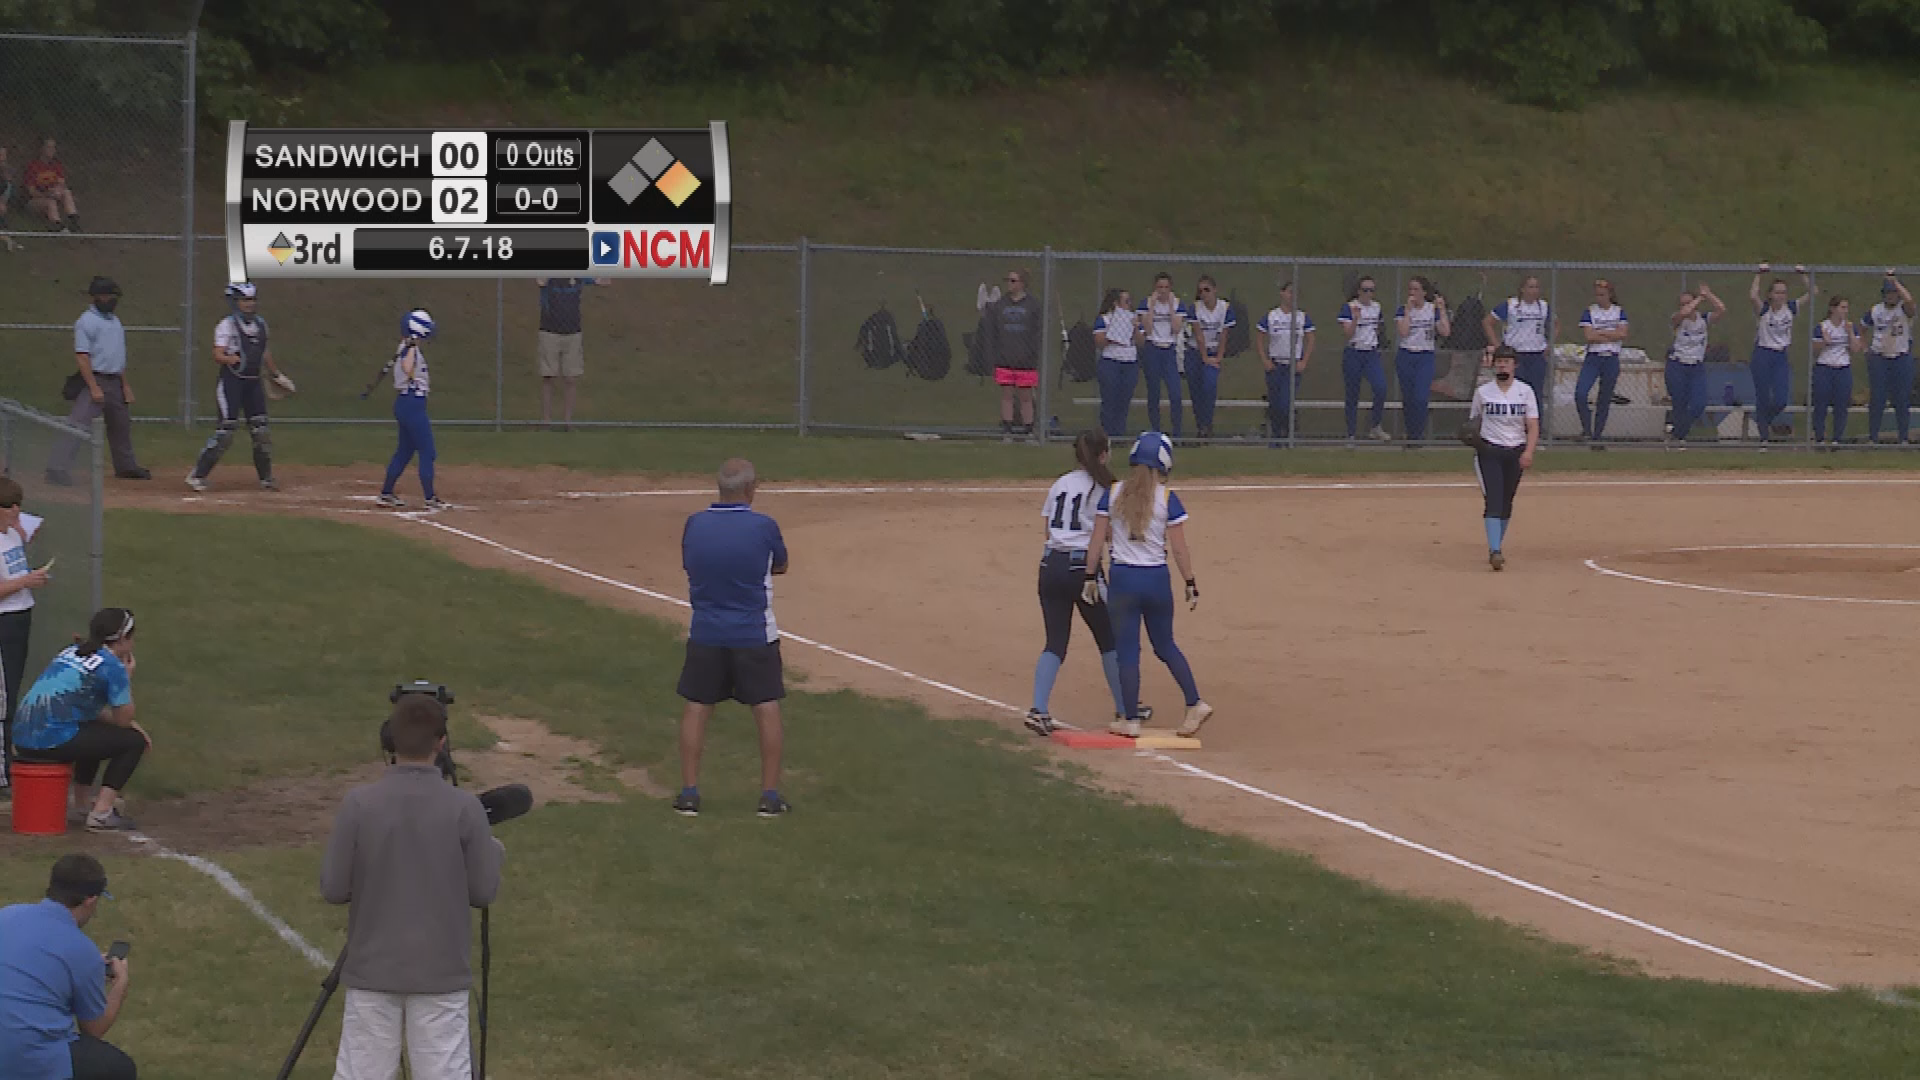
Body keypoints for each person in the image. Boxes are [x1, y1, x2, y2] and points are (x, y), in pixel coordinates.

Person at [320, 694, 503, 1080]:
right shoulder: (465, 808)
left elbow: (334, 888)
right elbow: (483, 891)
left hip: (372, 971)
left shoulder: (358, 804)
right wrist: (492, 853)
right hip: (440, 975)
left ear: (391, 741)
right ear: (442, 742)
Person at [673, 458, 790, 818]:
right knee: (766, 705)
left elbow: (690, 563)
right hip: (753, 632)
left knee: (697, 705)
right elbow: (780, 565)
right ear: (750, 489)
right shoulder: (763, 526)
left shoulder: (695, 525)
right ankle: (768, 796)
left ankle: (689, 793)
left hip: (706, 630)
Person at [1084, 432, 1212, 740]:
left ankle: (1130, 718)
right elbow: (1179, 549)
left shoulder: (1113, 494)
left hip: (1123, 580)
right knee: (1165, 645)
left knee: (1127, 650)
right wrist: (1190, 581)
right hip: (1156, 580)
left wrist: (1089, 576)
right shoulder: (1168, 498)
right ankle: (1194, 702)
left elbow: (1097, 540)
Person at [1026, 431, 1133, 735]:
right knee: (1109, 637)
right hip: (1080, 566)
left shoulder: (1061, 483)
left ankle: (1038, 708)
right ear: (1103, 455)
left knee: (1055, 641)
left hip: (1049, 565)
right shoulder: (1106, 488)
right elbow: (1108, 534)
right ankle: (1126, 709)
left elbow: (1048, 529)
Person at [0, 855, 136, 1080]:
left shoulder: (6, 915)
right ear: (90, 900)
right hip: (24, 1061)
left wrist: (89, 969)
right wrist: (119, 986)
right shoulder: (81, 949)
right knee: (118, 1069)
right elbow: (93, 1030)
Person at [9, 609, 145, 833]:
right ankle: (102, 813)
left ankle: (81, 805)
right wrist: (127, 678)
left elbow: (85, 710)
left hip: (24, 735)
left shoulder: (73, 650)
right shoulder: (113, 667)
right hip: (50, 739)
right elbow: (123, 720)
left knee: (92, 730)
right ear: (122, 639)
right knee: (133, 742)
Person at [187, 283, 287, 493]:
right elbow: (217, 354)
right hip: (231, 382)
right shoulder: (227, 325)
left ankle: (266, 478)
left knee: (261, 432)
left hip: (253, 382)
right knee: (226, 432)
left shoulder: (261, 325)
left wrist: (277, 375)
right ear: (235, 302)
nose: (250, 304)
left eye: (252, 300)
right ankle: (197, 475)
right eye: (245, 300)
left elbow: (264, 353)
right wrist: (229, 358)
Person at [47, 278, 147, 486]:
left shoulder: (115, 321)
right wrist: (93, 387)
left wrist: (125, 385)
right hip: (96, 378)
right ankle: (57, 468)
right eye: (110, 296)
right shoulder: (86, 321)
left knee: (121, 424)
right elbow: (83, 356)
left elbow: (118, 356)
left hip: (115, 380)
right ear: (98, 297)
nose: (113, 300)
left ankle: (126, 466)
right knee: (78, 424)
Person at [0, 477, 51, 799]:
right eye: (10, 509)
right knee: (3, 697)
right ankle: (3, 771)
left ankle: (6, 758)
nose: (17, 514)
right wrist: (26, 582)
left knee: (12, 692)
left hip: (19, 618)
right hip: (4, 622)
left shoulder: (13, 532)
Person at [1469, 347, 1539, 571]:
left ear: (1514, 365)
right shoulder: (1483, 392)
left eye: (1507, 362)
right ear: (1493, 364)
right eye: (1499, 361)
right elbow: (1473, 423)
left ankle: (1496, 545)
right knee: (1494, 499)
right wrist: (1476, 443)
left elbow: (1533, 425)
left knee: (1507, 500)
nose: (1502, 365)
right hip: (1490, 451)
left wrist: (1528, 451)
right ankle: (1495, 551)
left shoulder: (1525, 391)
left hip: (1515, 451)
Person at [376, 309, 447, 511]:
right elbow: (408, 368)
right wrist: (413, 345)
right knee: (427, 451)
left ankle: (386, 493)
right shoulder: (409, 349)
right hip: (411, 404)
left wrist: (413, 345)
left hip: (408, 404)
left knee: (405, 451)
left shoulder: (408, 347)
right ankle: (430, 497)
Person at [1748, 263, 1815, 444]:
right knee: (1762, 396)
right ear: (1770, 294)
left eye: (1784, 292)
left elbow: (1812, 292)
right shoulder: (1764, 310)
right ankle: (1763, 438)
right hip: (1763, 354)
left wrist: (1803, 275)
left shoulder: (1791, 308)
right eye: (1777, 292)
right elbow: (1753, 295)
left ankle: (1763, 422)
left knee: (1780, 399)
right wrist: (1759, 274)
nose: (1781, 296)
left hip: (1780, 355)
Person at [533, 276, 606, 430]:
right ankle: (546, 421)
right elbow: (540, 281)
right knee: (548, 376)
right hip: (549, 330)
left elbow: (605, 280)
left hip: (573, 332)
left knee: (571, 378)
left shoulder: (579, 276)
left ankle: (568, 422)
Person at [1482, 275, 1556, 416]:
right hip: (1515, 354)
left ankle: (1535, 426)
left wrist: (1550, 343)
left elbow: (1556, 324)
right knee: (1514, 390)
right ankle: (1513, 423)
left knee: (1535, 392)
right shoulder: (1511, 305)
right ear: (1522, 289)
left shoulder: (1543, 306)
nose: (1534, 290)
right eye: (1530, 287)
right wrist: (1497, 345)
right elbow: (1488, 322)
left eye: (1536, 287)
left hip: (1536, 354)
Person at [1665, 282, 1727, 445]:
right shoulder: (1677, 320)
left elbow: (1721, 309)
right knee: (1679, 403)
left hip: (1696, 366)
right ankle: (1680, 438)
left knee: (1698, 404)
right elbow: (1684, 313)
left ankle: (1676, 433)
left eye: (1688, 302)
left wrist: (1708, 294)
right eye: (1683, 303)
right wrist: (1700, 298)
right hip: (1678, 365)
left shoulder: (1703, 319)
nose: (1687, 306)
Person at [986, 268, 1043, 441]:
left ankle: (1028, 430)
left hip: (1025, 359)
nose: (1009, 284)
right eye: (1008, 280)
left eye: (1013, 281)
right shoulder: (1001, 304)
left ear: (1022, 283)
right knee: (1007, 395)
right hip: (1005, 356)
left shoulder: (1032, 305)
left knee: (1025, 397)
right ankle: (1007, 429)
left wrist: (1032, 353)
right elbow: (993, 330)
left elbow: (1037, 332)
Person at [1393, 276, 1451, 444]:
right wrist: (1409, 312)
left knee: (1420, 397)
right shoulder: (1402, 310)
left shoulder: (1432, 310)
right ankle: (1411, 434)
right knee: (1408, 398)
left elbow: (1445, 331)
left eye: (1416, 289)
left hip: (1425, 356)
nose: (1412, 293)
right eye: (1410, 289)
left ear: (1424, 292)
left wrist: (1442, 309)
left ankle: (1417, 435)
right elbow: (1403, 332)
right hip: (1406, 355)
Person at [1255, 281, 1314, 445]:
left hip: (1293, 366)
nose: (1292, 296)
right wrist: (1265, 360)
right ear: (1282, 293)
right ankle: (1275, 437)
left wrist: (1304, 361)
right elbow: (1259, 337)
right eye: (1289, 292)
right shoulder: (1272, 316)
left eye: (1295, 293)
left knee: (1285, 402)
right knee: (1274, 403)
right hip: (1276, 365)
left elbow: (1311, 339)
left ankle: (1286, 434)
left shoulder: (1302, 317)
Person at [1573, 278, 1629, 447]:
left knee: (1604, 398)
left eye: (1603, 294)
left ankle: (1597, 435)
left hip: (1611, 358)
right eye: (1597, 294)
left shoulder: (1619, 312)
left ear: (1610, 294)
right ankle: (1587, 428)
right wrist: (1610, 334)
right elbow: (1589, 336)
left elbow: (1622, 334)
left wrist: (1601, 333)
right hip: (1594, 357)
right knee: (1581, 393)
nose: (1599, 298)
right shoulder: (1590, 312)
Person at [1862, 272, 1916, 444]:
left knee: (1902, 398)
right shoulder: (1876, 310)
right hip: (1880, 357)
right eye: (1888, 293)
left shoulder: (1903, 310)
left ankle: (1903, 437)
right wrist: (1865, 348)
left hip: (1900, 356)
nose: (1891, 296)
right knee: (1878, 397)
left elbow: (1910, 303)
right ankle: (1873, 437)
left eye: (1894, 293)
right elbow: (1862, 327)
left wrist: (1896, 283)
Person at [1137, 274, 1191, 439]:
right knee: (1153, 392)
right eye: (1160, 287)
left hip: (1169, 350)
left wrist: (1170, 307)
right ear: (1155, 288)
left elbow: (1176, 328)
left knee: (1175, 393)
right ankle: (1155, 430)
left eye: (1166, 287)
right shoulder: (1145, 303)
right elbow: (1147, 329)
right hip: (1152, 349)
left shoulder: (1177, 304)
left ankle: (1177, 433)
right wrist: (1152, 307)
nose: (1163, 291)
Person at [1338, 276, 1390, 444]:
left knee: (1380, 387)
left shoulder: (1376, 307)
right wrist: (1355, 319)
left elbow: (1379, 328)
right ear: (1359, 291)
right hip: (1354, 352)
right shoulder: (1350, 307)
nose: (1369, 294)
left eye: (1372, 290)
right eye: (1365, 290)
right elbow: (1347, 333)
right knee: (1352, 393)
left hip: (1371, 353)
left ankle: (1375, 425)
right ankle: (1351, 434)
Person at [1185, 275, 1235, 440]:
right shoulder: (1195, 308)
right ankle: (1201, 426)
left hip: (1213, 351)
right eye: (1200, 291)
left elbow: (1224, 335)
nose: (1204, 294)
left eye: (1207, 290)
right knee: (1196, 390)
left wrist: (1218, 358)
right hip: (1195, 352)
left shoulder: (1225, 308)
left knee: (1209, 386)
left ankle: (1207, 424)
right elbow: (1198, 335)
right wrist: (1204, 357)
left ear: (1215, 290)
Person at [1810, 296, 1864, 448]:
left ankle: (1837, 439)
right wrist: (1824, 341)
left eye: (1846, 308)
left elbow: (1856, 349)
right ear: (1832, 309)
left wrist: (1850, 334)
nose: (1845, 311)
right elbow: (1814, 351)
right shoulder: (1822, 326)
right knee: (1821, 404)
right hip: (1824, 367)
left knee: (1841, 405)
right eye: (1842, 307)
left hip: (1842, 367)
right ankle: (1820, 438)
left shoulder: (1849, 326)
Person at [1093, 288, 1142, 438]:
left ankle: (1119, 434)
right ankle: (1107, 433)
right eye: (1126, 301)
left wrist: (1134, 328)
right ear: (1116, 303)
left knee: (1124, 399)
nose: (1129, 304)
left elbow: (1141, 342)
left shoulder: (1134, 318)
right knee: (1109, 399)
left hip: (1129, 362)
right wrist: (1114, 333)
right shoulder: (1105, 319)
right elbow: (1099, 341)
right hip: (1111, 361)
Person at [22, 137, 80, 234]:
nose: (52, 150)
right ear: (42, 149)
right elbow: (31, 192)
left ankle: (73, 220)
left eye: (53, 148)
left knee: (66, 192)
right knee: (50, 202)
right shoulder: (33, 166)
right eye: (49, 147)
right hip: (35, 201)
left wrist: (57, 190)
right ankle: (57, 226)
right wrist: (46, 194)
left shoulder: (56, 165)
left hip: (53, 195)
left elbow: (62, 183)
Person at [0, 147, 19, 251]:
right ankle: (5, 236)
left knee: (2, 208)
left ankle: (6, 235)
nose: (2, 157)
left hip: (2, 198)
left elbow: (9, 182)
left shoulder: (6, 169)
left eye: (3, 155)